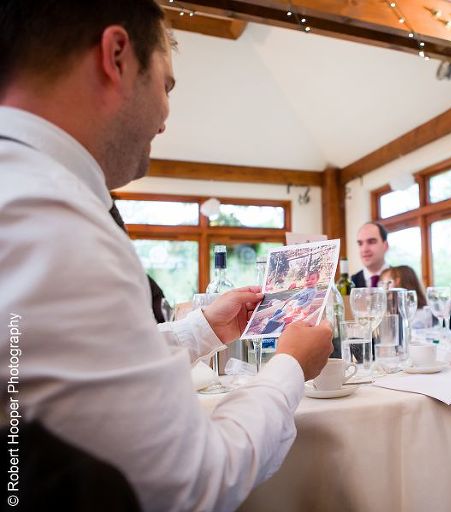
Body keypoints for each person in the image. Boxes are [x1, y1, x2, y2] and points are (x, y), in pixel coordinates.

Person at [0, 2, 333, 511]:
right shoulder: (53, 221)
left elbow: (79, 364)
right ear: (116, 56)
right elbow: (193, 485)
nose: (165, 115)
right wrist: (289, 366)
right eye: (167, 85)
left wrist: (202, 329)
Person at [352, 222, 389, 288]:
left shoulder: (402, 278)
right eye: (360, 243)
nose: (364, 249)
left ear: (385, 246)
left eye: (371, 242)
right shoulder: (351, 282)